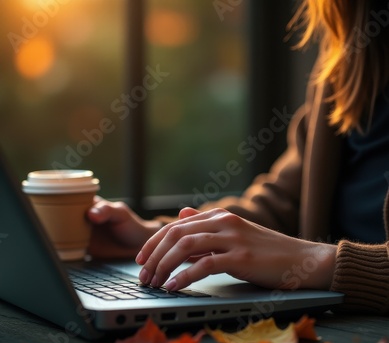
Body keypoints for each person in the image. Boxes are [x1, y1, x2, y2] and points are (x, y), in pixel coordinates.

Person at [88, 0, 389, 315]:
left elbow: (289, 250)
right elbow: (281, 204)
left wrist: (312, 261)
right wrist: (156, 236)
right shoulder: (347, 62)